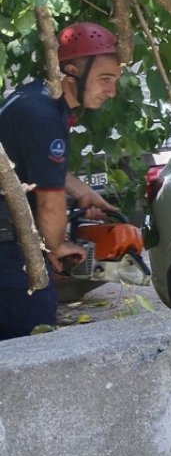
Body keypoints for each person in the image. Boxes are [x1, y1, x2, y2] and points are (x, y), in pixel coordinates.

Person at [0, 22, 122, 338]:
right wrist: (57, 245)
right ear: (71, 72)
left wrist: (80, 190)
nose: (112, 91)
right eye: (105, 79)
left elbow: (26, 163)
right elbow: (50, 204)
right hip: (8, 258)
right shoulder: (45, 118)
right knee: (36, 346)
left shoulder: (31, 98)